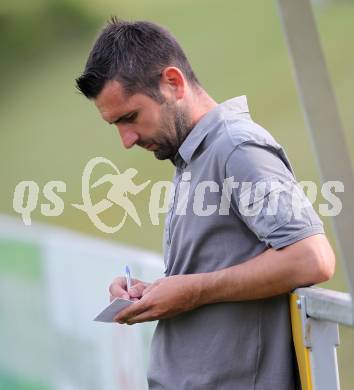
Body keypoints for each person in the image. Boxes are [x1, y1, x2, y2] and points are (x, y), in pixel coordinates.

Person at [76, 18, 336, 390]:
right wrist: (155, 291)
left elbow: (312, 257)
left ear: (173, 82)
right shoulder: (191, 154)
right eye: (115, 125)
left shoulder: (235, 147)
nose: (126, 140)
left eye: (130, 117)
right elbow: (218, 270)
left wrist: (192, 291)